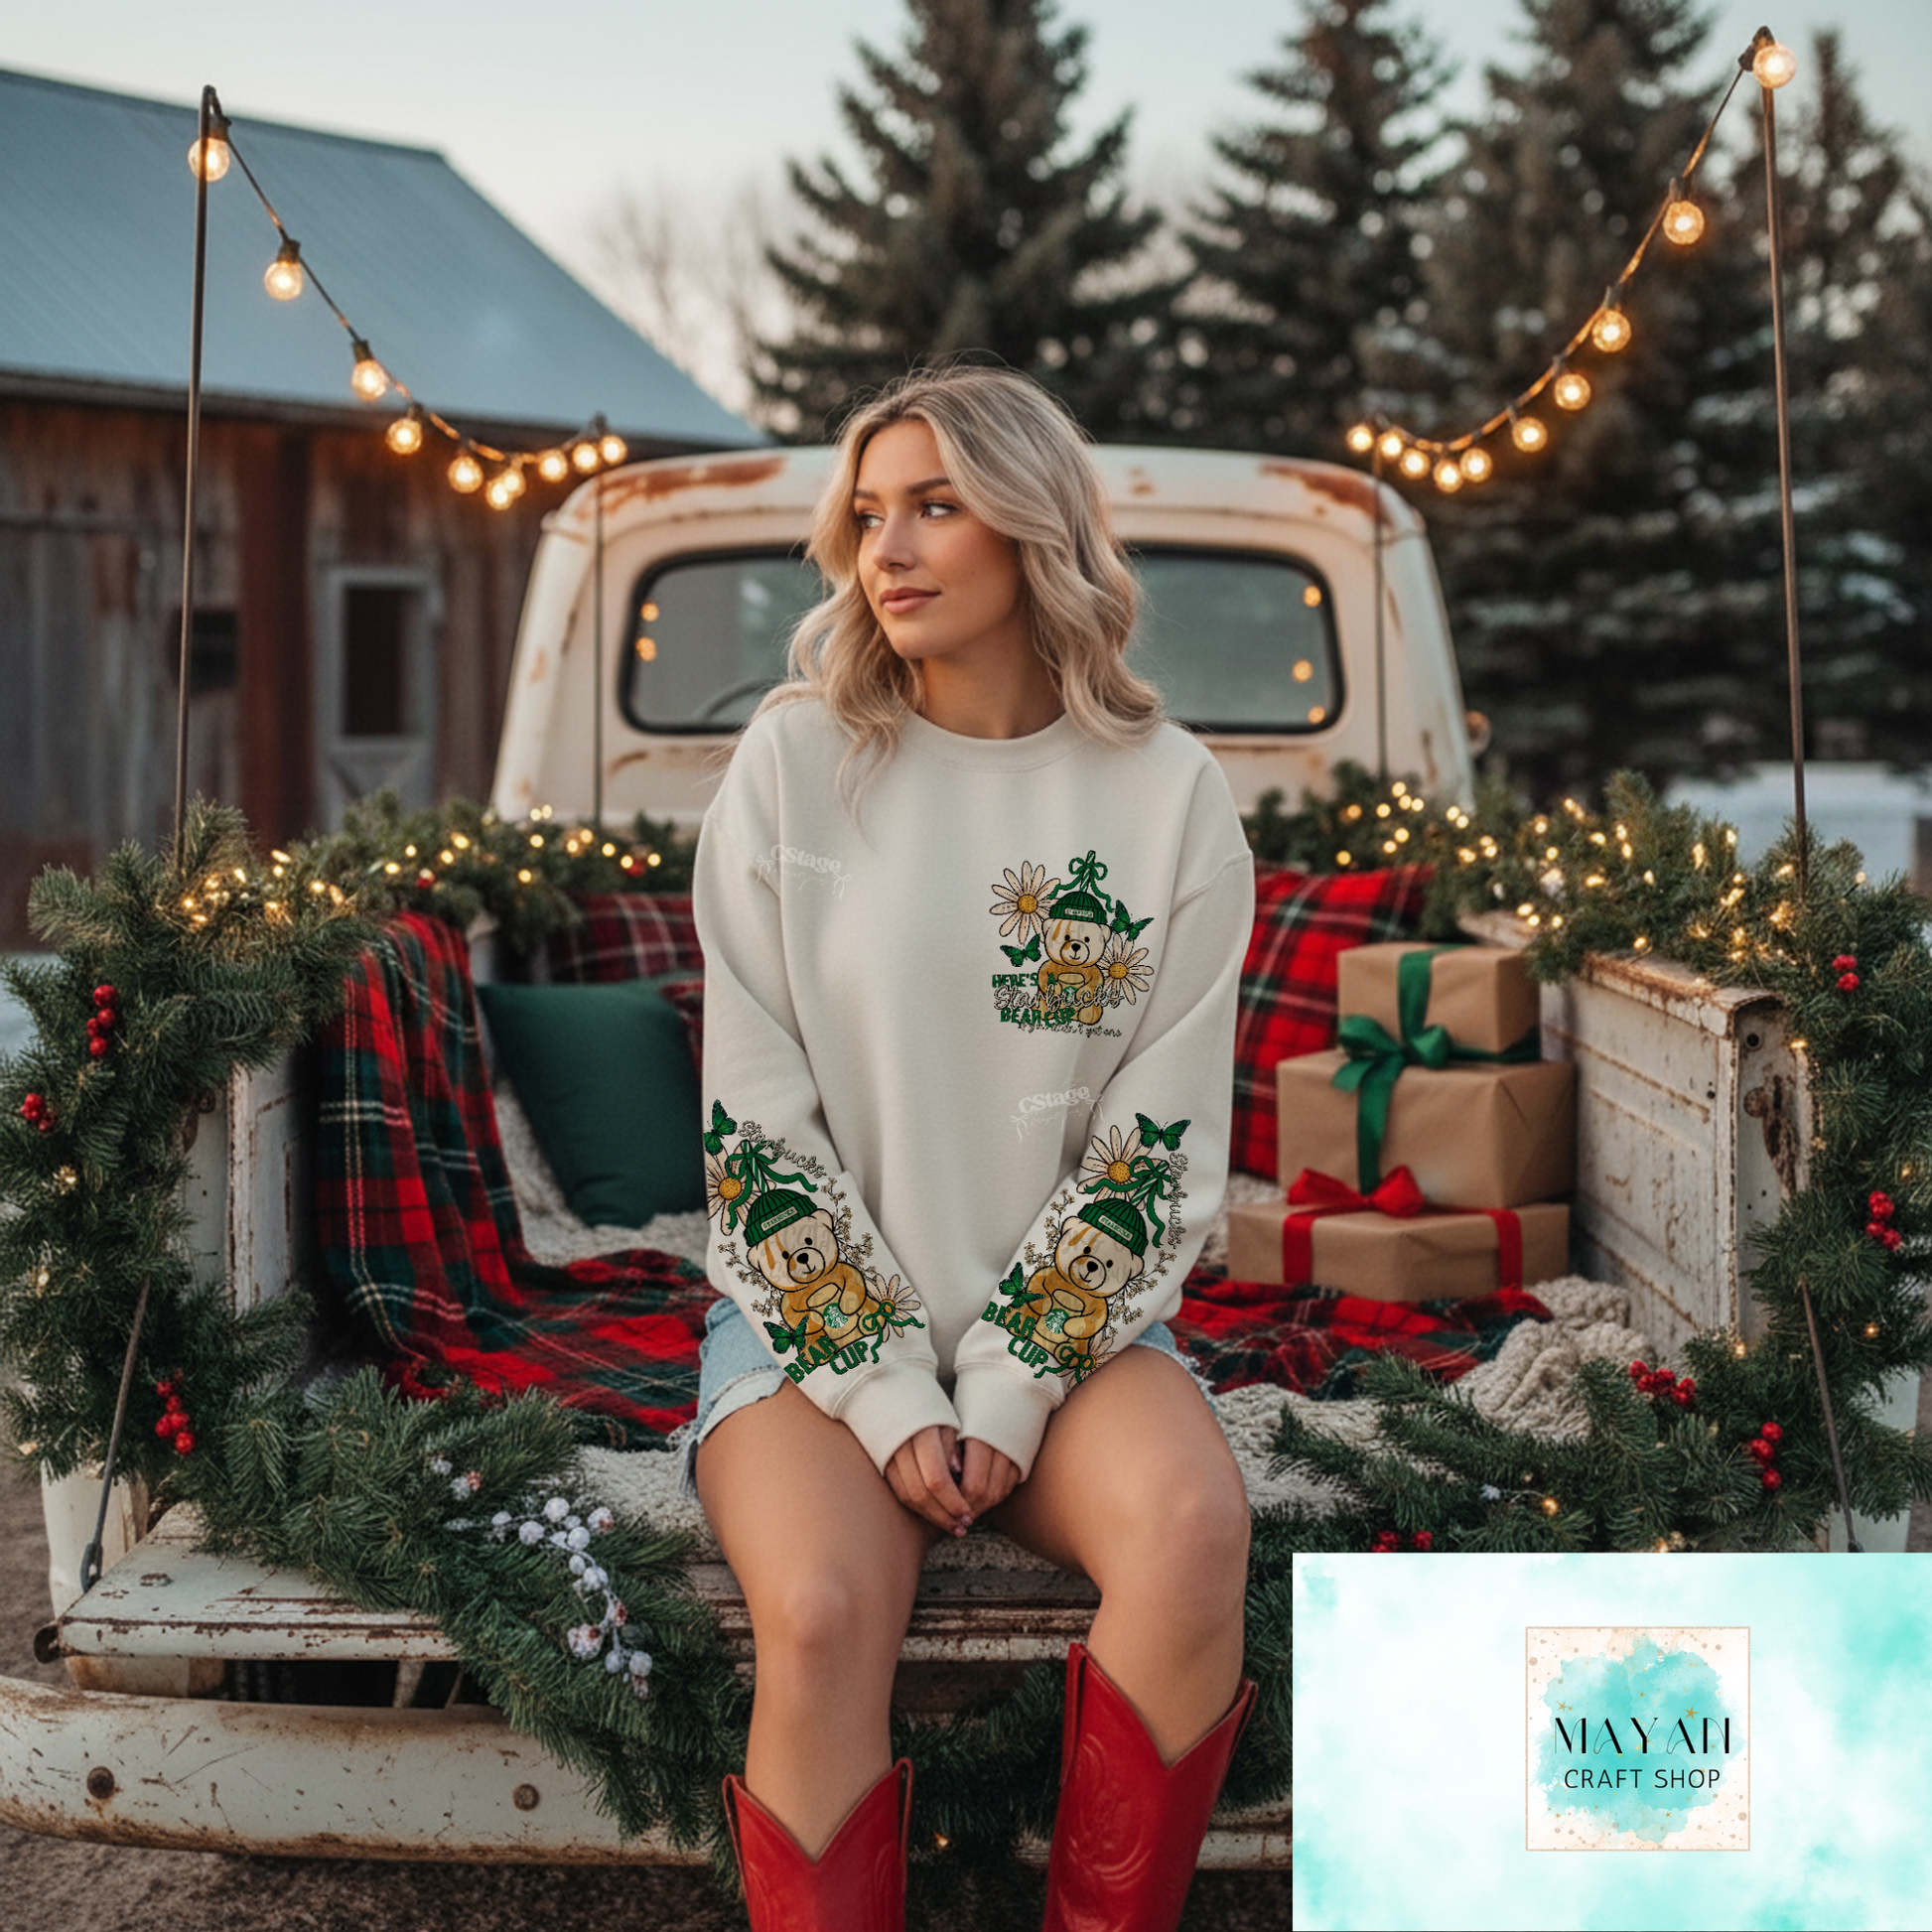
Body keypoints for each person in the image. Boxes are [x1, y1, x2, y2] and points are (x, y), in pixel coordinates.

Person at [690, 364, 1255, 1931]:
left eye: (935, 504)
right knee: (811, 1610)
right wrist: (882, 1385)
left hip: (1064, 1325)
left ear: (1035, 527)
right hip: (811, 1323)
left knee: (1198, 1527)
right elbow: (757, 1128)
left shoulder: (1168, 798)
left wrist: (1006, 1379)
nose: (890, 546)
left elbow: (1155, 1145)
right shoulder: (797, 764)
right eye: (868, 513)